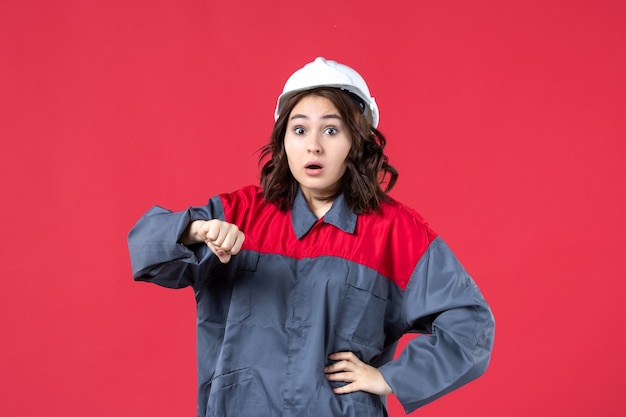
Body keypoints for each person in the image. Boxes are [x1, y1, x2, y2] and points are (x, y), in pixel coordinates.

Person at [128, 57, 495, 417]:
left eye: (331, 130)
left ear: (358, 141)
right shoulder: (238, 214)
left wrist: (389, 378)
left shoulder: (395, 232)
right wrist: (196, 231)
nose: (313, 146)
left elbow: (470, 327)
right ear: (283, 140)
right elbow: (145, 247)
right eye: (300, 129)